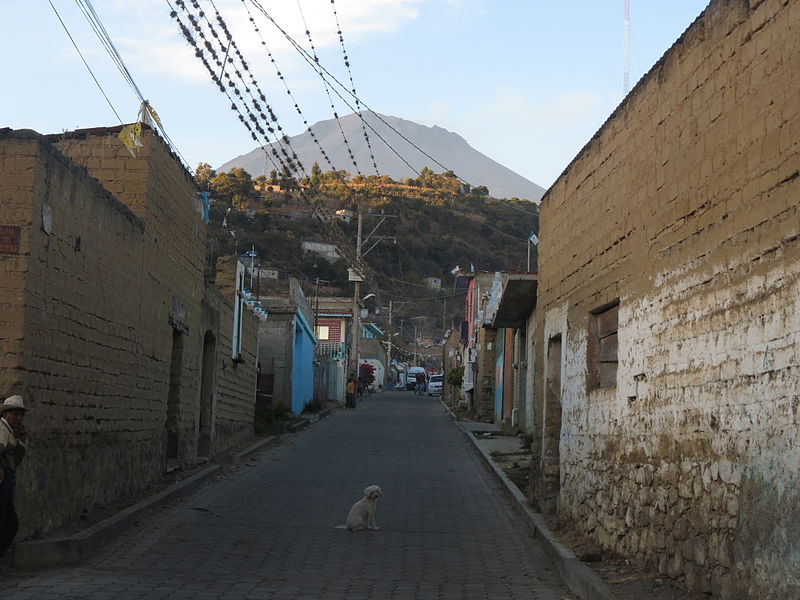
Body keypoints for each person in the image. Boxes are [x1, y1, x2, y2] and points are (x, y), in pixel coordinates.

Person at [0, 395, 28, 560]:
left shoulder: (11, 432)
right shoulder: (2, 430)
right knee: (7, 523)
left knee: (9, 523)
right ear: (6, 414)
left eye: (21, 415)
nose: (20, 418)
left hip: (7, 483)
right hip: (3, 483)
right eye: (16, 414)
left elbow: (16, 458)